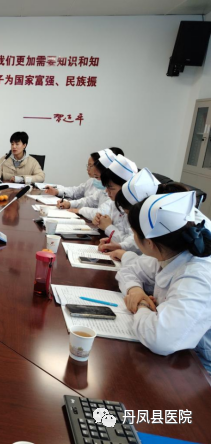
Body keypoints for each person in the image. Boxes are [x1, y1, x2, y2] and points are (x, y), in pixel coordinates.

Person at [116, 191, 211, 374]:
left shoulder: (197, 277)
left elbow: (160, 339)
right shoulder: (168, 252)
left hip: (200, 369)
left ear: (148, 243)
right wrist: (135, 290)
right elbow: (129, 270)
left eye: (134, 233)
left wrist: (142, 305)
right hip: (176, 357)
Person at [55, 148, 124, 219]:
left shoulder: (117, 194)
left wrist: (80, 210)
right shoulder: (103, 189)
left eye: (97, 176)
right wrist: (69, 204)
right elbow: (90, 200)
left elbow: (102, 213)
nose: (97, 180)